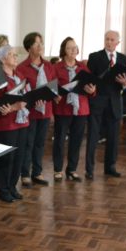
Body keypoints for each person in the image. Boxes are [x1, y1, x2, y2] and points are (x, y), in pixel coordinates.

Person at [86, 30, 126, 179]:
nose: (109, 42)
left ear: (118, 42)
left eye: (112, 40)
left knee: (113, 138)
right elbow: (90, 79)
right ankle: (89, 169)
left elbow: (125, 82)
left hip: (115, 102)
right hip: (98, 101)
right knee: (93, 136)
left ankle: (110, 167)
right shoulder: (95, 56)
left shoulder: (123, 58)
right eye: (107, 39)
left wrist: (125, 83)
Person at [52, 37, 96, 182]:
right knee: (59, 140)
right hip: (63, 108)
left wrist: (92, 90)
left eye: (75, 48)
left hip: (81, 109)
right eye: (70, 48)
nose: (73, 50)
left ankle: (72, 169)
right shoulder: (56, 67)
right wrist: (54, 95)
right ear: (64, 50)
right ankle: (58, 169)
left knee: (76, 140)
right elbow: (51, 88)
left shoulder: (83, 67)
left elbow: (92, 88)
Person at [16, 32, 56, 187]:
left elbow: (53, 87)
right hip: (30, 112)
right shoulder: (22, 67)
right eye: (36, 43)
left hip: (45, 110)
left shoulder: (48, 66)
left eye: (41, 43)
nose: (40, 46)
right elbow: (21, 91)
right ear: (28, 47)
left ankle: (37, 172)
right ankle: (25, 173)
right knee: (28, 143)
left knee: (40, 143)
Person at [0, 45, 29, 202]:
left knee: (19, 157)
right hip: (6, 124)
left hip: (22, 121)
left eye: (16, 54)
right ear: (2, 59)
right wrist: (13, 107)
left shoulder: (19, 75)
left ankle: (12, 186)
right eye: (12, 55)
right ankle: (3, 189)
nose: (16, 57)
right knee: (7, 159)